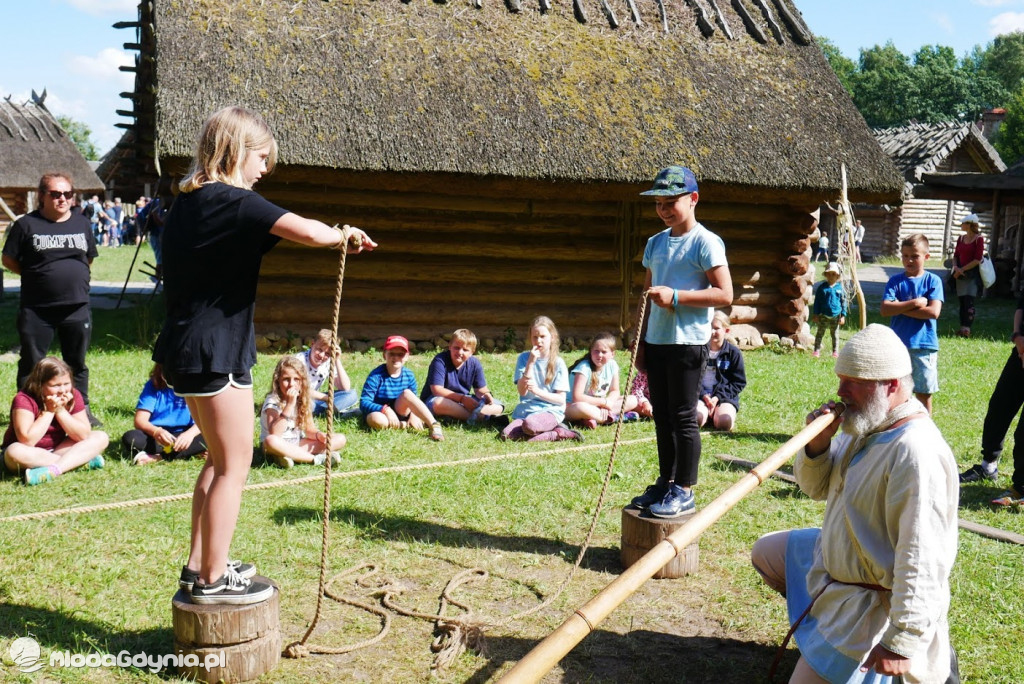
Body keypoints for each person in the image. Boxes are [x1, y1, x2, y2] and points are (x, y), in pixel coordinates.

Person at [151, 105, 376, 605]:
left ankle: (197, 567)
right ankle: (213, 578)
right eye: (261, 159)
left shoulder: (188, 204)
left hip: (184, 348)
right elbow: (311, 231)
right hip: (216, 352)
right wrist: (345, 234)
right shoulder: (234, 200)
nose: (265, 171)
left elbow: (243, 247)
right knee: (235, 464)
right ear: (236, 152)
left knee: (215, 459)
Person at [750, 325, 958, 684]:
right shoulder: (866, 422)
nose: (840, 392)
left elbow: (923, 557)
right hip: (838, 567)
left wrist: (903, 641)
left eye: (853, 382)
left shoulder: (915, 451)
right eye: (840, 379)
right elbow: (815, 488)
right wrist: (817, 446)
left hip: (871, 602)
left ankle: (882, 656)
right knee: (767, 553)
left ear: (891, 385)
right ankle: (821, 626)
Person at [629, 166, 732, 518]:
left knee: (684, 416)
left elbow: (724, 293)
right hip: (656, 341)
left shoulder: (705, 241)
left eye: (671, 201)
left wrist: (677, 296)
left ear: (693, 199)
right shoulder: (655, 244)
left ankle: (684, 489)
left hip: (688, 343)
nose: (664, 209)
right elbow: (646, 294)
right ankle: (666, 480)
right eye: (658, 203)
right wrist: (640, 341)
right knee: (661, 415)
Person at [2, 172, 101, 426]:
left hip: (76, 306)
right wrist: (39, 275)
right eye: (55, 194)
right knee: (32, 363)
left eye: (67, 194)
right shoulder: (26, 225)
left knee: (76, 362)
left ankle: (81, 410)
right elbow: (9, 259)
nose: (62, 199)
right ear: (42, 196)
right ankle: (26, 412)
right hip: (37, 308)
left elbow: (87, 258)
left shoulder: (81, 223)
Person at [958, 293, 1024, 506]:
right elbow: (1022, 306)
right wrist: (1018, 337)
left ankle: (1021, 488)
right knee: (999, 407)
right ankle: (988, 467)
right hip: (1021, 351)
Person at [2, 356, 109, 485]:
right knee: (15, 452)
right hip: (28, 454)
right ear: (40, 385)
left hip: (58, 448)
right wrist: (49, 411)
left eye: (66, 384)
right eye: (56, 385)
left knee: (100, 437)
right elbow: (27, 440)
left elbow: (83, 435)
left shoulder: (74, 395)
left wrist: (60, 411)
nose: (63, 391)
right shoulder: (24, 399)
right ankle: (78, 462)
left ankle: (54, 469)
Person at [880, 234, 943, 415]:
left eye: (914, 256)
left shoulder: (933, 281)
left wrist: (898, 307)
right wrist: (915, 303)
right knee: (895, 390)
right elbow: (885, 309)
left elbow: (933, 312)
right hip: (898, 345)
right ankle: (894, 425)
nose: (909, 260)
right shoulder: (895, 281)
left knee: (923, 392)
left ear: (926, 257)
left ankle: (925, 429)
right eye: (905, 256)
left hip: (924, 345)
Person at [499, 316, 582, 442]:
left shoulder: (558, 363)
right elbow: (522, 392)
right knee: (506, 435)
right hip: (527, 411)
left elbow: (560, 400)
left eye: (543, 336)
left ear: (552, 337)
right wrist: (531, 362)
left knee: (530, 426)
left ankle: (558, 433)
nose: (538, 341)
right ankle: (550, 431)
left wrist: (537, 391)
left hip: (550, 411)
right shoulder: (524, 358)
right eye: (535, 337)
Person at [260, 356, 346, 469]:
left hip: (297, 443)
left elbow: (309, 429)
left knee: (340, 439)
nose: (291, 384)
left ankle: (290, 456)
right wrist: (290, 405)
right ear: (278, 381)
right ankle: (316, 459)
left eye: (296, 379)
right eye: (286, 379)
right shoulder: (273, 401)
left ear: (302, 382)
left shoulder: (303, 399)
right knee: (270, 440)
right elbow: (275, 433)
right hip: (274, 445)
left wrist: (318, 435)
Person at [360, 335, 444, 441]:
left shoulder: (409, 375)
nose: (396, 358)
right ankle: (406, 425)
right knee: (375, 419)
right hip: (382, 414)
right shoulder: (375, 376)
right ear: (384, 355)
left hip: (401, 410)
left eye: (400, 354)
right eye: (392, 354)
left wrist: (414, 415)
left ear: (407, 356)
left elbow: (414, 400)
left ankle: (434, 424)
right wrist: (385, 410)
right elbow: (364, 402)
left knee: (408, 393)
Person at [122, 363, 206, 465]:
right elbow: (140, 420)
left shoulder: (198, 386)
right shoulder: (153, 385)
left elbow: (206, 420)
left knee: (212, 435)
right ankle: (191, 451)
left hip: (187, 434)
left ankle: (159, 457)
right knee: (131, 437)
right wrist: (156, 432)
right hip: (159, 437)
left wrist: (190, 434)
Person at [420, 328, 506, 426]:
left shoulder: (474, 363)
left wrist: (486, 394)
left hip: (463, 401)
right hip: (439, 399)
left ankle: (460, 415)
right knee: (438, 403)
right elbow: (437, 390)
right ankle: (482, 417)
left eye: (465, 350)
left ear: (472, 352)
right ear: (450, 346)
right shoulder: (440, 360)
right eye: (456, 347)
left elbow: (480, 389)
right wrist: (462, 399)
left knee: (499, 406)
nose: (460, 352)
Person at [564, 332, 640, 429]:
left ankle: (592, 418)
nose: (599, 355)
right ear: (591, 351)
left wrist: (608, 403)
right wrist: (603, 403)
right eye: (596, 351)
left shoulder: (612, 365)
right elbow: (577, 398)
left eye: (604, 352)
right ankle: (614, 417)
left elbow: (615, 391)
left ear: (612, 354)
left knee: (632, 400)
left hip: (598, 406)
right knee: (581, 407)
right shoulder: (583, 368)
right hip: (572, 406)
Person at [696, 311, 745, 431]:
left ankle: (720, 414)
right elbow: (691, 378)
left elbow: (739, 382)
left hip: (724, 397)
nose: (712, 332)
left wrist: (717, 397)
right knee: (696, 419)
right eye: (710, 328)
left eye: (716, 329)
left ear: (726, 331)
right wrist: (704, 396)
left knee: (724, 423)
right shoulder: (698, 351)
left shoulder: (733, 353)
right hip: (701, 396)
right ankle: (707, 414)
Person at [295, 329, 360, 419]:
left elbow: (345, 388)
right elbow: (299, 389)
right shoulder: (300, 360)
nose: (321, 355)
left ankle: (327, 411)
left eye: (327, 353)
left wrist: (336, 360)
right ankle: (337, 413)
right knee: (307, 404)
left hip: (314, 399)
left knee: (352, 394)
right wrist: (326, 398)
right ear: (312, 344)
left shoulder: (328, 362)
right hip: (298, 399)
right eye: (319, 349)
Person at [951, 213, 984, 337]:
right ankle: (962, 328)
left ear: (969, 225)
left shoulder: (979, 239)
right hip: (960, 274)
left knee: (969, 301)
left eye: (963, 223)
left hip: (972, 275)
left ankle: (967, 329)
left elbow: (977, 259)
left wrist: (962, 269)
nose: (961, 225)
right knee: (962, 301)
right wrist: (956, 267)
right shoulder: (960, 239)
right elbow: (955, 256)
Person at [811, 262, 846, 359]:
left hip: (836, 315)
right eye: (829, 274)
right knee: (820, 333)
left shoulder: (840, 289)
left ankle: (835, 351)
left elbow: (843, 302)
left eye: (833, 274)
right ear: (826, 275)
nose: (831, 276)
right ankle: (816, 350)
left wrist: (843, 315)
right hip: (823, 315)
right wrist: (816, 314)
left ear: (838, 276)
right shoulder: (822, 288)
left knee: (834, 334)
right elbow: (817, 301)